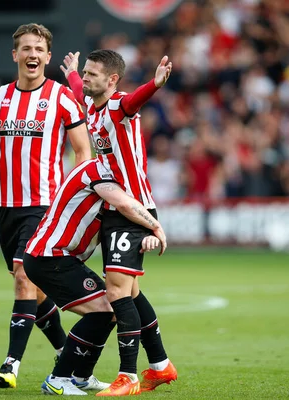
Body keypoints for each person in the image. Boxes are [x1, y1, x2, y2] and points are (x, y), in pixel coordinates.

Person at [0, 23, 92, 389]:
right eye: (26, 48)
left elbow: (82, 151)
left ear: (48, 57)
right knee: (36, 289)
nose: (32, 54)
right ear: (14, 55)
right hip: (6, 208)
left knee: (23, 279)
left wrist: (76, 193)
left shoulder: (63, 97)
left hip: (44, 205)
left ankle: (11, 365)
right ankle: (70, 357)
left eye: (39, 49)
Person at [61, 50, 177, 395]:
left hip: (134, 209)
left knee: (115, 293)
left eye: (92, 74)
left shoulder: (118, 106)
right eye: (85, 72)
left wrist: (154, 85)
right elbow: (79, 89)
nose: (85, 78)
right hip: (114, 210)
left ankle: (128, 376)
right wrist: (70, 73)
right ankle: (160, 366)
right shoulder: (91, 108)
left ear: (113, 80)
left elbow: (132, 103)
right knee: (131, 292)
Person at [23, 158, 167, 396]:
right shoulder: (98, 171)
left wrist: (143, 237)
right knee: (105, 310)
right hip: (49, 256)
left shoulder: (106, 181)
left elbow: (120, 231)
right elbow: (126, 205)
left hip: (60, 258)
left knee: (109, 310)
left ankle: (81, 377)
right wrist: (157, 228)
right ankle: (58, 378)